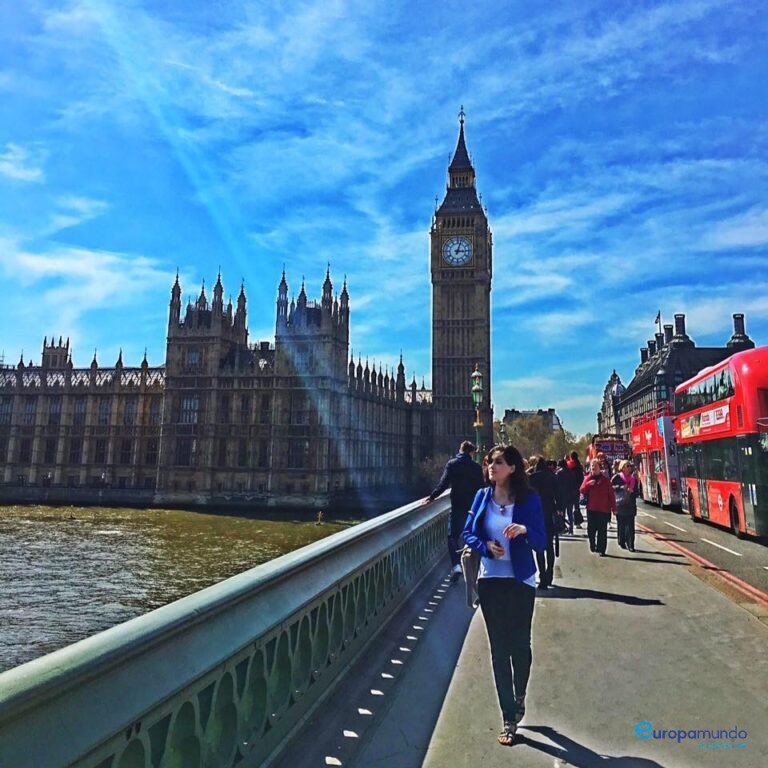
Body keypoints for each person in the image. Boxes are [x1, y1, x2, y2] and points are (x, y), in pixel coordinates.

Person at [462, 444, 547, 746]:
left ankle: (520, 693)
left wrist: (523, 529)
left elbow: (542, 540)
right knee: (499, 649)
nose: (491, 467)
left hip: (521, 580)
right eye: (489, 463)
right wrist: (486, 547)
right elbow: (467, 533)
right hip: (490, 581)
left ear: (512, 468)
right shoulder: (482, 496)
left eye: (498, 462)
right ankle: (508, 717)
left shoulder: (529, 499)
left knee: (519, 646)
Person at [424, 440, 485, 582]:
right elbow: (481, 489)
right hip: (472, 508)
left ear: (460, 450)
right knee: (472, 536)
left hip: (457, 505)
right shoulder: (476, 467)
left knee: (452, 536)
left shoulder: (452, 464)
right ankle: (472, 567)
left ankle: (456, 565)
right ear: (471, 452)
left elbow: (443, 484)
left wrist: (431, 497)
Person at [529, 455, 562, 589]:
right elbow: (559, 495)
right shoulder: (552, 477)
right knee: (549, 546)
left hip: (536, 515)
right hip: (549, 513)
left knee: (539, 548)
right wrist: (559, 509)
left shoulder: (532, 478)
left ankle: (542, 576)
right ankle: (550, 573)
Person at [579, 458, 616, 555]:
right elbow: (582, 490)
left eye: (595, 466)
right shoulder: (588, 478)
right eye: (592, 467)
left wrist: (614, 508)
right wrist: (588, 484)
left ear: (600, 468)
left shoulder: (606, 481)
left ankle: (601, 549)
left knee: (602, 531)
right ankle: (592, 543)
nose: (593, 468)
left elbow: (611, 495)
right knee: (591, 530)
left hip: (603, 509)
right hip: (591, 509)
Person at [612, 460, 638, 551]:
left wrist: (632, 491)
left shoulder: (633, 479)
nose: (629, 468)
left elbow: (637, 493)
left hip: (630, 504)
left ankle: (631, 544)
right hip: (620, 504)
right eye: (627, 466)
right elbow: (611, 488)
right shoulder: (617, 477)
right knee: (621, 524)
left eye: (630, 466)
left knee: (630, 526)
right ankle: (621, 541)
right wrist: (620, 487)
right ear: (622, 468)